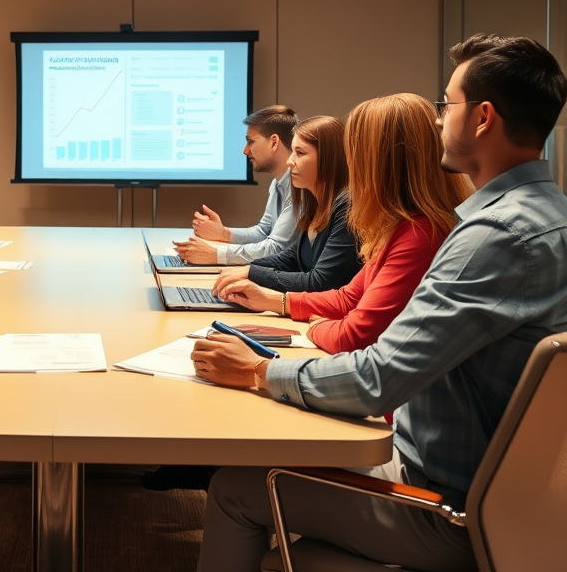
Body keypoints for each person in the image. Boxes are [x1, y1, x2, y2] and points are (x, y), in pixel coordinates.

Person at [192, 34, 567, 572]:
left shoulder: (494, 237)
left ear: (483, 118)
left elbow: (380, 376)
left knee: (233, 488)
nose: (439, 120)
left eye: (446, 105)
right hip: (515, 500)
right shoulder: (548, 216)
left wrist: (259, 371)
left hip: (446, 506)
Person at [219, 94, 472, 354]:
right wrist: (276, 301)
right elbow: (348, 297)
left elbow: (353, 335)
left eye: (356, 152)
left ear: (383, 163)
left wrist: (317, 327)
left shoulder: (419, 235)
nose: (351, 163)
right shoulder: (398, 225)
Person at [211, 115, 361, 295]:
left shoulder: (346, 208)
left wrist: (252, 273)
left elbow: (320, 281)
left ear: (328, 159)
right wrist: (242, 271)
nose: (290, 161)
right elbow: (291, 259)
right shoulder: (315, 203)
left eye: (300, 153)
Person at [173, 105, 299, 265]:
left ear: (274, 142)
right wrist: (223, 233)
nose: (245, 151)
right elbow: (263, 231)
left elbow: (276, 248)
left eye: (250, 142)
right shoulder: (278, 183)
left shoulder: (299, 186)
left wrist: (215, 254)